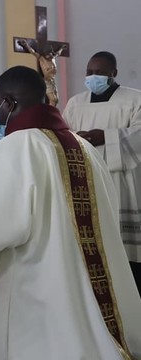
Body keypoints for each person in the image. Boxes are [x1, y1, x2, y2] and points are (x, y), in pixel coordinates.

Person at [0, 66, 141, 360]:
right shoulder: (84, 146)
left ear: (10, 103)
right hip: (97, 290)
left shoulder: (15, 148)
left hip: (38, 292)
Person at [63, 51, 141, 295]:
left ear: (114, 73)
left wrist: (104, 137)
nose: (93, 76)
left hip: (122, 181)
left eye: (99, 72)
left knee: (125, 255)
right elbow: (64, 134)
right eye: (89, 72)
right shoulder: (76, 103)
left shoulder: (134, 99)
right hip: (87, 178)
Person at [18, 39, 66, 107]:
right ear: (45, 54)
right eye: (48, 53)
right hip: (47, 81)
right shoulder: (42, 59)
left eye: (51, 53)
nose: (50, 55)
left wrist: (62, 48)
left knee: (57, 100)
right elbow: (33, 52)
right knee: (53, 99)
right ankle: (50, 112)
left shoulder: (53, 58)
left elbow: (58, 53)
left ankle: (52, 111)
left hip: (52, 80)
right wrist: (26, 45)